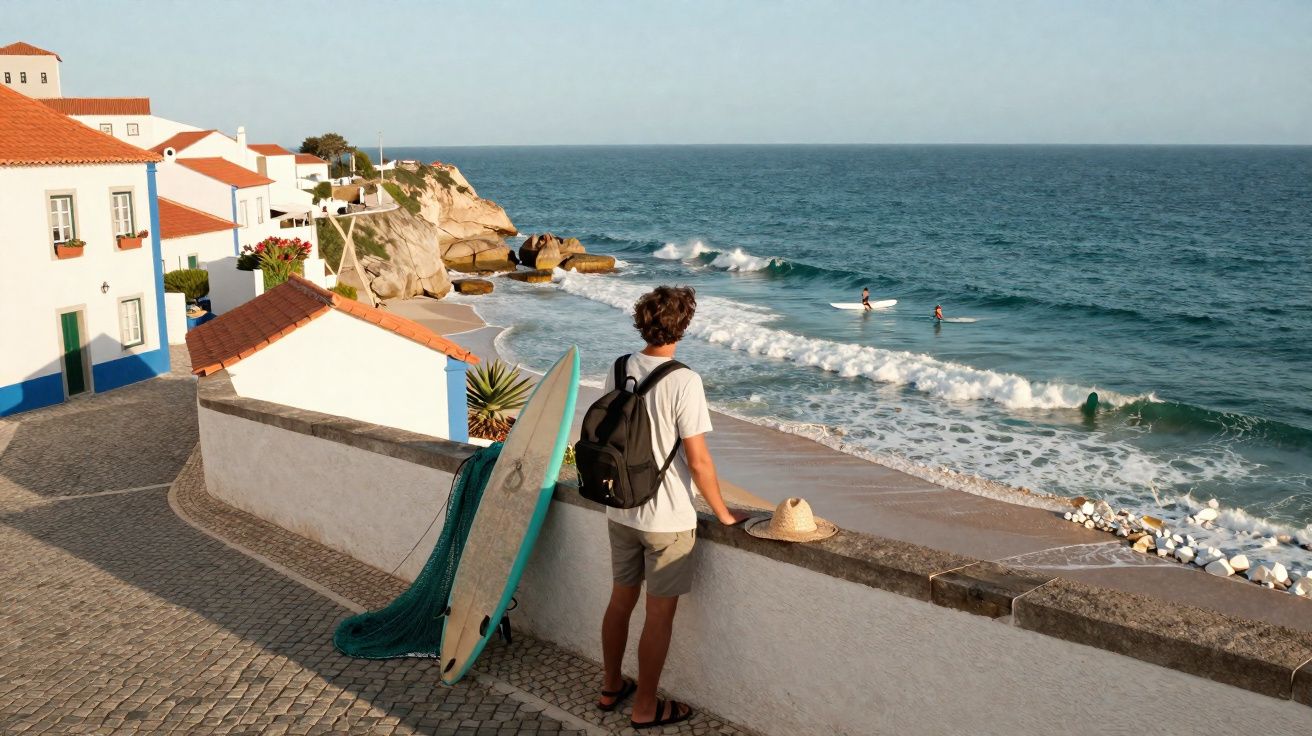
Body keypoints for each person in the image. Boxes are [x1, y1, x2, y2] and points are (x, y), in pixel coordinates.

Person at [597, 285, 749, 729]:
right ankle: (645, 706)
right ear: (684, 325)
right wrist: (723, 514)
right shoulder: (684, 380)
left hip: (619, 508)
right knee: (658, 616)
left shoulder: (620, 367)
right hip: (666, 519)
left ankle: (610, 686)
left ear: (641, 321)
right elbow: (699, 462)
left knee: (620, 602)